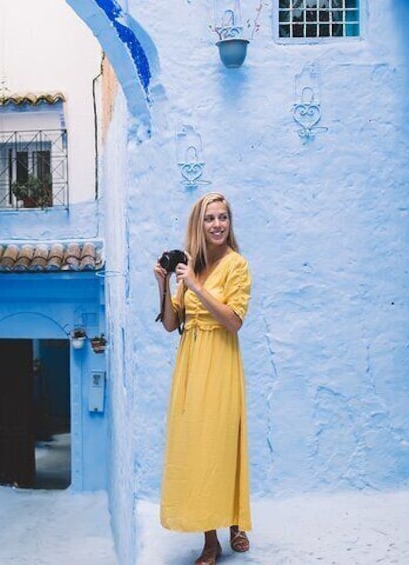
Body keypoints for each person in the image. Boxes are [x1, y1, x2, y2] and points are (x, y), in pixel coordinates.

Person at [153, 192, 252, 565]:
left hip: (221, 362)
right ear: (200, 224)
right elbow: (170, 324)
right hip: (191, 365)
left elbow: (234, 321)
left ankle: (234, 525)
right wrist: (164, 284)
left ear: (229, 223)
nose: (217, 224)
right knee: (198, 447)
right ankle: (210, 539)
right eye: (209, 218)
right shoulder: (190, 266)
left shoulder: (237, 266)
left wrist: (194, 285)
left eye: (222, 217)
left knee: (223, 442)